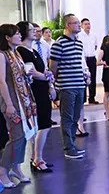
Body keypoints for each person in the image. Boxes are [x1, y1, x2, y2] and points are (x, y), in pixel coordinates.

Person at [0, 24, 37, 188]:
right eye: (16, 34)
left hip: (22, 99)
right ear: (7, 37)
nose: (19, 36)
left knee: (24, 135)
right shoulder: (2, 55)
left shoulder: (16, 54)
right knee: (16, 136)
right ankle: (3, 171)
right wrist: (8, 104)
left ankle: (16, 167)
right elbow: (2, 82)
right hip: (12, 100)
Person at [17, 22, 53, 174]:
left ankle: (37, 157)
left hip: (42, 89)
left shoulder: (34, 50)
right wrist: (45, 77)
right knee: (42, 125)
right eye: (32, 30)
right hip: (34, 91)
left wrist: (49, 81)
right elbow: (30, 71)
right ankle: (37, 159)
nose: (36, 32)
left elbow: (43, 69)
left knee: (44, 124)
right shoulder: (21, 51)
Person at [50, 14, 87, 160]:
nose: (79, 25)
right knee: (67, 117)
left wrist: (84, 75)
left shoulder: (79, 43)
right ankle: (68, 148)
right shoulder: (59, 44)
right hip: (66, 86)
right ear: (67, 25)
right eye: (75, 23)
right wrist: (53, 86)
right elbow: (53, 67)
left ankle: (72, 143)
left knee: (76, 116)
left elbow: (78, 63)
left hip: (79, 84)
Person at [79, 18, 99, 105]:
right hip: (83, 59)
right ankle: (83, 98)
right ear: (81, 25)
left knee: (93, 78)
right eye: (85, 24)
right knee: (83, 78)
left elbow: (95, 46)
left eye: (89, 24)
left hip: (92, 58)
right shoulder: (79, 36)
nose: (88, 26)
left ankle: (92, 97)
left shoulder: (93, 35)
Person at [96, 36, 109, 125]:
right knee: (107, 93)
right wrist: (104, 63)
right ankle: (107, 111)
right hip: (107, 72)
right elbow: (97, 62)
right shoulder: (103, 50)